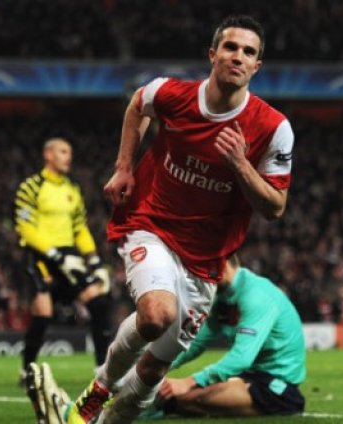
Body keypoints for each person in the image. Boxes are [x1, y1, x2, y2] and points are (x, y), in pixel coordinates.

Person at [61, 14, 295, 424]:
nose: (238, 57)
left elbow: (275, 207)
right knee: (156, 315)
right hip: (153, 226)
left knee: (154, 368)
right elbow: (139, 102)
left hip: (205, 261)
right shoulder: (173, 94)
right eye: (230, 47)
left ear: (256, 66)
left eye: (248, 52)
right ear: (212, 54)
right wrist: (124, 166)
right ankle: (99, 389)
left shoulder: (273, 128)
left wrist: (240, 164)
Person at [13, 138, 112, 417]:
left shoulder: (72, 189)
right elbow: (25, 227)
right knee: (43, 313)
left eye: (69, 152)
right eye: (63, 151)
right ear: (48, 154)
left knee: (98, 302)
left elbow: (80, 228)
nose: (68, 156)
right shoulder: (31, 187)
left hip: (68, 255)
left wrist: (93, 260)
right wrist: (55, 255)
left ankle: (102, 369)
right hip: (40, 255)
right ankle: (27, 369)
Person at [146, 255, 306, 418]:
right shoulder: (222, 297)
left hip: (275, 386)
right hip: (246, 376)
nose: (198, 276)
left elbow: (241, 358)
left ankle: (165, 406)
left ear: (222, 264)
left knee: (192, 397)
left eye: (201, 268)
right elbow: (195, 343)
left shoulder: (256, 295)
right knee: (188, 394)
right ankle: (165, 405)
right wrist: (154, 365)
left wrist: (188, 382)